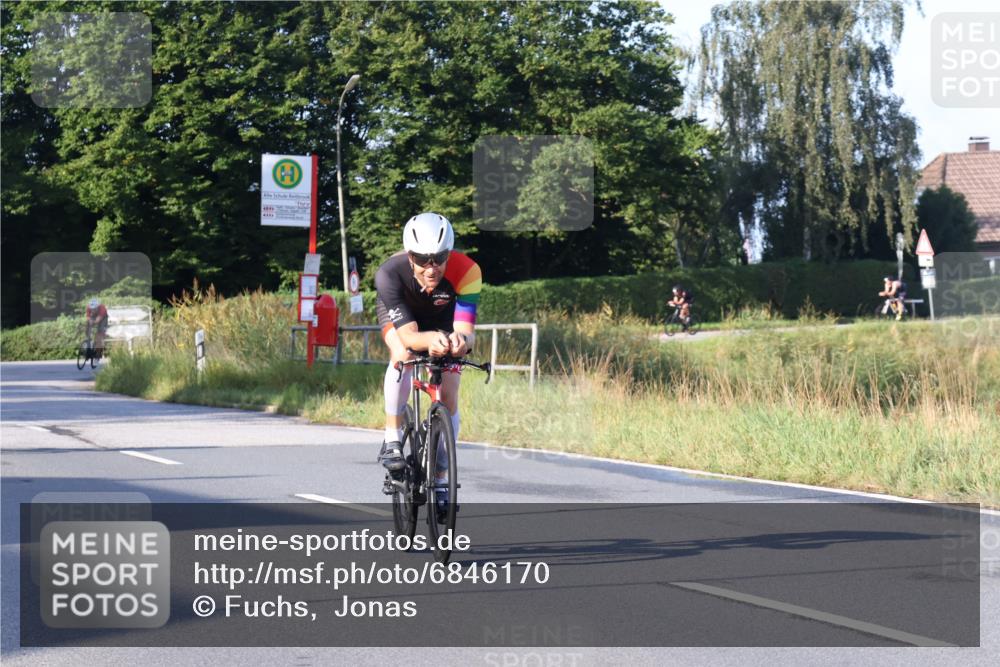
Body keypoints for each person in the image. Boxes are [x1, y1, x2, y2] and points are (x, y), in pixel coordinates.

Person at [374, 213, 481, 509]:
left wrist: (461, 342)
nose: (431, 268)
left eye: (439, 258)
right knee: (404, 354)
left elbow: (467, 332)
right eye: (423, 259)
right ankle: (392, 435)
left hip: (443, 319)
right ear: (410, 256)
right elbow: (409, 337)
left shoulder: (468, 271)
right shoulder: (389, 273)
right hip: (403, 317)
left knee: (450, 391)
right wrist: (430, 339)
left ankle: (443, 474)